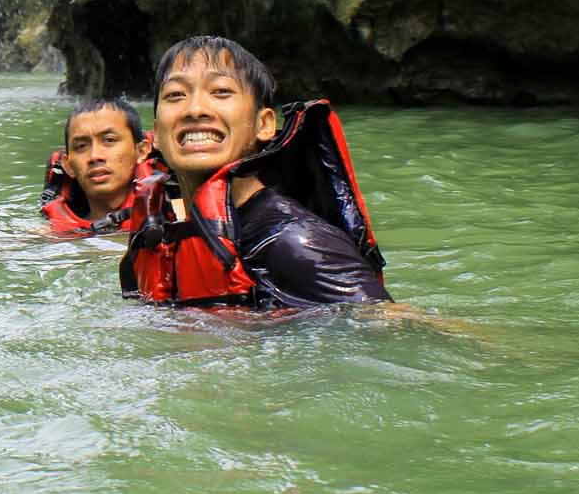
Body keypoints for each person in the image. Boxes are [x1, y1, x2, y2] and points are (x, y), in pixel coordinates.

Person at [121, 35, 390, 308]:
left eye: (221, 92)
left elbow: (392, 324)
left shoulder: (292, 241)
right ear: (155, 133)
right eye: (175, 95)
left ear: (264, 124)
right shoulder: (162, 236)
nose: (195, 109)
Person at [40, 97, 156, 236]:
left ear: (141, 151)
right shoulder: (51, 234)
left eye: (109, 140)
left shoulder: (174, 214)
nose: (95, 156)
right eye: (81, 146)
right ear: (68, 166)